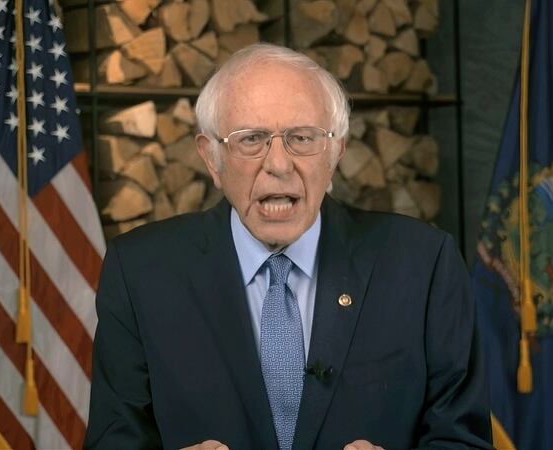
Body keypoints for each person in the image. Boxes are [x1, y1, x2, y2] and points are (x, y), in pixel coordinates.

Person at [84, 43, 492, 450]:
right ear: (212, 159)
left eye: (302, 138)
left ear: (336, 152)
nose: (278, 164)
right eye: (251, 139)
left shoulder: (424, 265)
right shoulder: (139, 272)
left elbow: (464, 440)